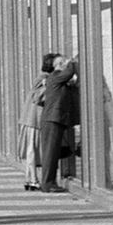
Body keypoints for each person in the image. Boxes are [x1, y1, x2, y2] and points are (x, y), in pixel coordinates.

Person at [33, 50, 78, 193]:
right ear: (58, 65)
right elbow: (69, 72)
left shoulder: (58, 79)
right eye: (62, 62)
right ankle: (47, 183)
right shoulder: (56, 76)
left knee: (52, 152)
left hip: (54, 120)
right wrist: (73, 62)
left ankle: (49, 181)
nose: (65, 63)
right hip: (52, 120)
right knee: (50, 153)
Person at [17, 57, 51, 190]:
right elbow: (37, 97)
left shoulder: (42, 78)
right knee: (33, 149)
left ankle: (30, 179)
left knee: (32, 150)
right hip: (33, 119)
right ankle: (32, 180)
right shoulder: (43, 79)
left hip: (31, 119)